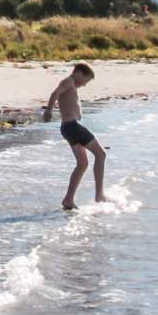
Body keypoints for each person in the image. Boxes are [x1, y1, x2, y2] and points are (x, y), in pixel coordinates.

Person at [43, 62, 106, 209]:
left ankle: (68, 200)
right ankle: (99, 195)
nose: (84, 85)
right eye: (86, 80)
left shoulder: (71, 84)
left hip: (68, 128)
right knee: (101, 154)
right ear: (79, 73)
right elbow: (54, 93)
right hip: (72, 127)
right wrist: (49, 111)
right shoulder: (68, 81)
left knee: (82, 164)